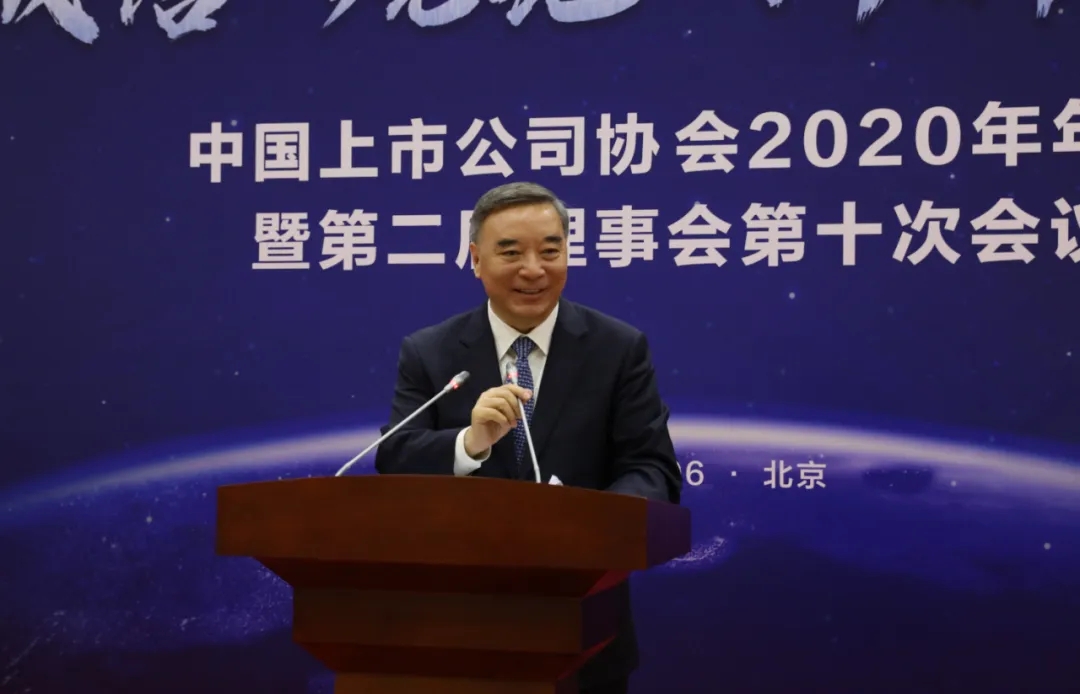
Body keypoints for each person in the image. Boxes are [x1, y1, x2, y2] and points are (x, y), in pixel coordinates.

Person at [374, 181, 682, 694]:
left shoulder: (617, 348)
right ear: (476, 259)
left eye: (550, 251)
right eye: (511, 252)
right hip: (457, 625)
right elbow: (394, 457)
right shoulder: (430, 351)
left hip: (584, 627)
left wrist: (591, 526)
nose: (534, 269)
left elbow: (652, 468)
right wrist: (469, 442)